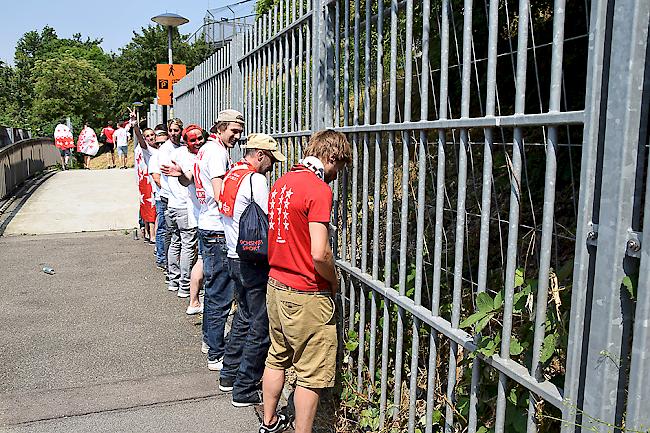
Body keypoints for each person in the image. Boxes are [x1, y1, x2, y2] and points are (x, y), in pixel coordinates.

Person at [261, 130, 351, 433]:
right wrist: (334, 280)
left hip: (275, 284)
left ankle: (269, 420)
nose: (337, 176)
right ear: (331, 157)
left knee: (277, 355)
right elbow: (320, 252)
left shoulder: (282, 182)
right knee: (310, 373)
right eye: (338, 167)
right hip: (306, 292)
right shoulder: (318, 189)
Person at [217, 133, 285, 407]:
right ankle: (244, 387)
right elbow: (271, 216)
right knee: (261, 322)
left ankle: (229, 374)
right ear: (259, 155)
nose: (272, 165)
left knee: (243, 316)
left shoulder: (232, 173)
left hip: (233, 254)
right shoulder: (256, 179)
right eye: (270, 159)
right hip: (253, 259)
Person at [196, 109, 243, 370]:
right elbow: (218, 192)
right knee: (220, 292)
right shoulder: (216, 152)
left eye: (239, 131)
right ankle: (216, 352)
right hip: (216, 229)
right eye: (233, 131)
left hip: (207, 225)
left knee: (213, 288)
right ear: (221, 128)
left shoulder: (208, 149)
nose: (237, 136)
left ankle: (208, 341)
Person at [161, 124, 205, 306]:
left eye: (199, 139)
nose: (197, 142)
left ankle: (174, 280)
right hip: (183, 206)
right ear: (186, 142)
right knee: (187, 245)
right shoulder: (191, 157)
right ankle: (184, 285)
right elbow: (188, 178)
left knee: (175, 242)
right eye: (192, 140)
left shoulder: (175, 152)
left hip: (171, 203)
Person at [130, 111, 157, 243]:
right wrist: (135, 125)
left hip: (148, 181)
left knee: (148, 207)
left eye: (152, 135)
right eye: (148, 136)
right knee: (150, 207)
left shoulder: (158, 148)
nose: (151, 137)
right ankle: (151, 234)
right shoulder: (146, 149)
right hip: (148, 181)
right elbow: (140, 139)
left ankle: (147, 231)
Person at [147, 125, 170, 269]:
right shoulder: (155, 158)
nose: (161, 145)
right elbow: (157, 178)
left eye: (163, 142)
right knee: (162, 227)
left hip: (173, 197)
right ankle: (161, 258)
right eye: (158, 143)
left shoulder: (173, 154)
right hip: (162, 197)